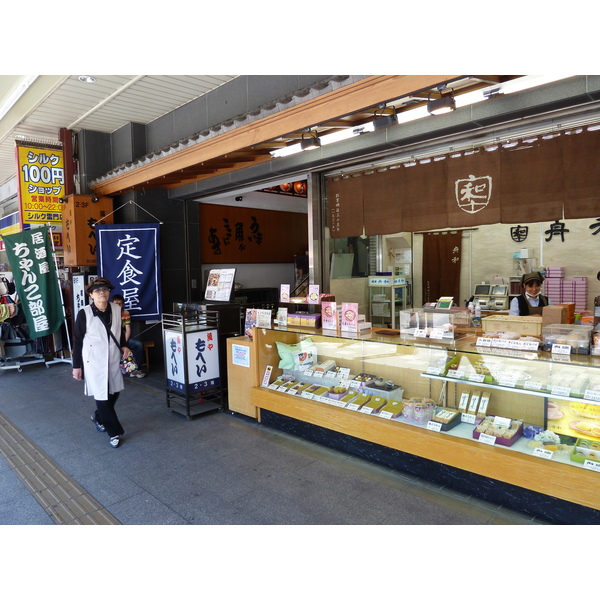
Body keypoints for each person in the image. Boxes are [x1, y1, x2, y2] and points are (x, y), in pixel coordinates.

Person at [72, 277, 132, 448]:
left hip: (113, 358)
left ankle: (99, 416)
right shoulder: (84, 313)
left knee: (114, 392)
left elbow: (119, 331)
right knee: (102, 394)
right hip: (94, 360)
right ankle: (114, 432)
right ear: (91, 295)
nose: (102, 293)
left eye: (105, 290)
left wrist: (124, 346)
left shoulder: (116, 309)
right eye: (98, 291)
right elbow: (77, 340)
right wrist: (77, 366)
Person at [111, 293, 146, 378]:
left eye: (120, 303)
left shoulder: (125, 313)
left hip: (123, 339)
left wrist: (124, 343)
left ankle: (135, 370)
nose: (118, 305)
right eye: (116, 303)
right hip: (111, 340)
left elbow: (128, 329)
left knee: (139, 345)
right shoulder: (108, 314)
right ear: (111, 303)